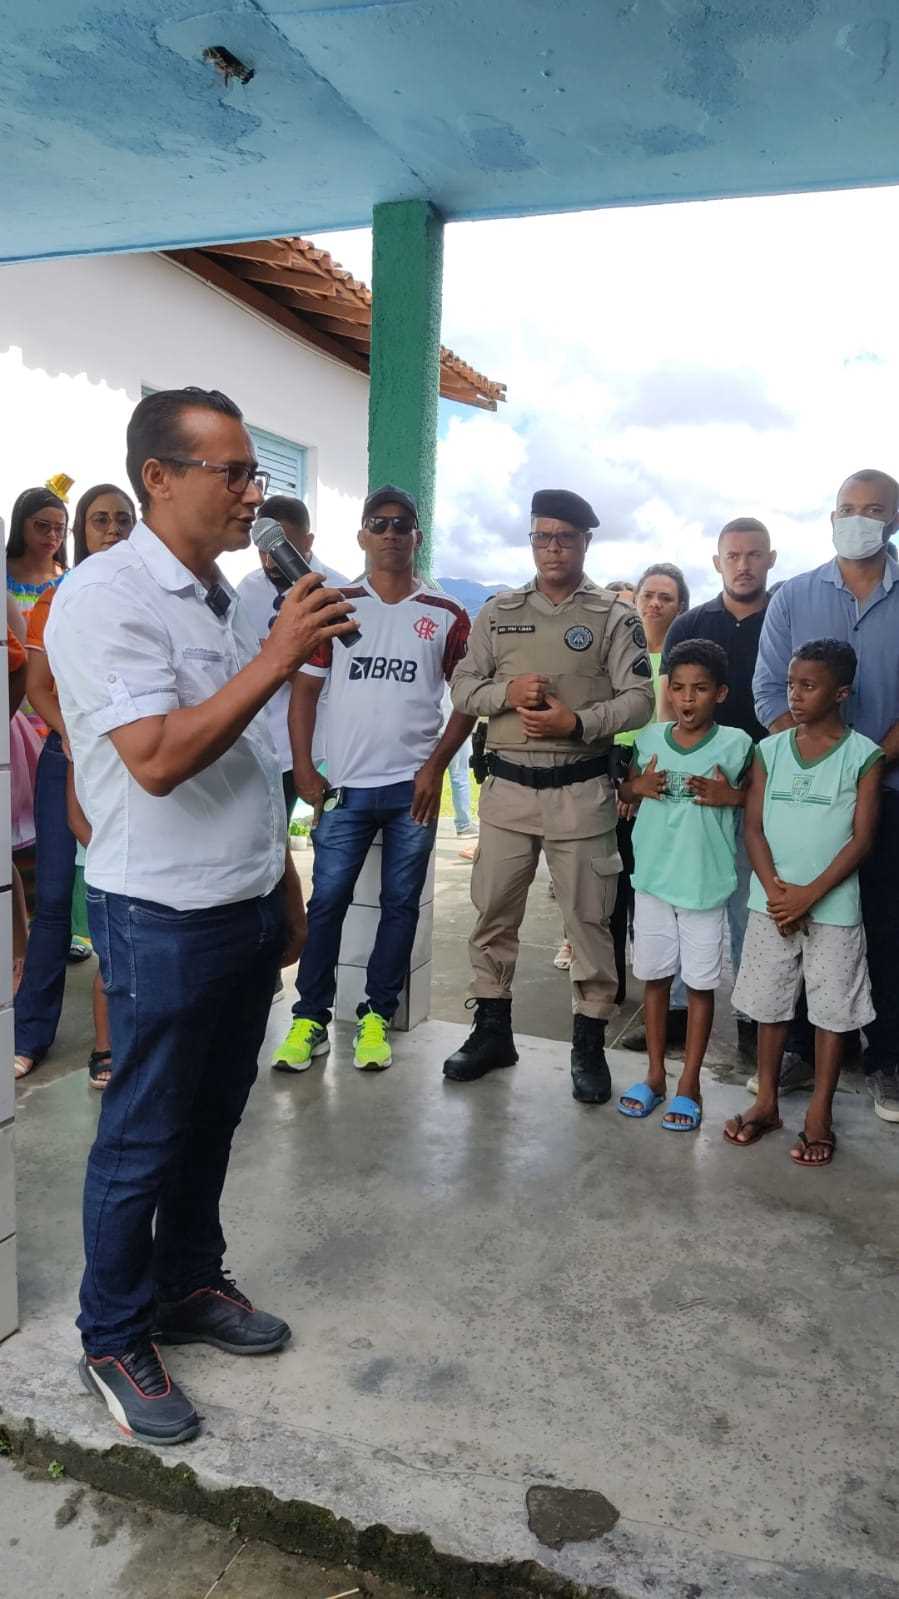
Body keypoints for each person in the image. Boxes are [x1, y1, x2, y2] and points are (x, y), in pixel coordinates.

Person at [45, 386, 357, 1446]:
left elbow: (257, 756)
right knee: (141, 1134)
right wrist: (279, 657)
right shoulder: (104, 596)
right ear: (158, 479)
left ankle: (186, 1284)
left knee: (214, 1117)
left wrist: (282, 881)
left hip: (239, 902)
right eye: (229, 471)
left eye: (252, 472)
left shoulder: (221, 595)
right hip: (161, 914)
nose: (249, 491)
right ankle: (112, 1333)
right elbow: (161, 759)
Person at [443, 489, 654, 1102]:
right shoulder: (498, 611)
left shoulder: (615, 617)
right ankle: (491, 1032)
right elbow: (462, 686)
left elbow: (641, 699)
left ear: (586, 542)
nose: (552, 547)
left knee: (590, 922)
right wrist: (508, 691)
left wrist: (578, 723)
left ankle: (588, 1046)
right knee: (492, 915)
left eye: (564, 537)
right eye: (542, 536)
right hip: (508, 792)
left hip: (581, 793)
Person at [273, 485, 473, 1074]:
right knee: (328, 900)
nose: (390, 533)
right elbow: (304, 693)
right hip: (345, 790)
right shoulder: (337, 608)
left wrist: (434, 768)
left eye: (401, 524)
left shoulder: (445, 616)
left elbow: (468, 699)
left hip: (413, 789)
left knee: (400, 905)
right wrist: (305, 767)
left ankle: (376, 1015)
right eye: (378, 523)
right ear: (361, 535)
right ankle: (310, 1018)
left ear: (417, 537)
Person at [753, 469, 899, 1125]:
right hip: (799, 807)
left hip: (887, 792)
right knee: (800, 926)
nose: (857, 518)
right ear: (830, 516)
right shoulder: (792, 597)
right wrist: (815, 768)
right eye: (847, 508)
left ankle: (887, 1061)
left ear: (893, 519)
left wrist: (859, 766)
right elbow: (768, 694)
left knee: (886, 932)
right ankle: (806, 1058)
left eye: (872, 509)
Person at [726, 641, 882, 1164]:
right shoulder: (768, 751)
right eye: (791, 683)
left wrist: (811, 895)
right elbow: (753, 826)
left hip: (833, 909)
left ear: (841, 692)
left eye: (808, 685)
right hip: (772, 904)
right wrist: (775, 890)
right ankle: (767, 1101)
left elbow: (860, 839)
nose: (794, 694)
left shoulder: (863, 756)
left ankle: (820, 1114)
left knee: (833, 1012)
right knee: (770, 1005)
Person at [13, 484, 137, 1080]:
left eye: (122, 519)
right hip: (69, 758)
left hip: (137, 763)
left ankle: (118, 1038)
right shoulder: (57, 596)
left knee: (125, 895)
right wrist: (78, 737)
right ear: (84, 532)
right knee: (56, 899)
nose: (111, 529)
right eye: (98, 520)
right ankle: (28, 1036)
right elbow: (37, 687)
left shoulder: (151, 595)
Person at [617, 640, 752, 1129]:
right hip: (653, 880)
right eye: (677, 688)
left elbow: (755, 806)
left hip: (705, 887)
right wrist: (636, 787)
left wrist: (729, 796)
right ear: (666, 691)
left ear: (720, 693)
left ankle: (689, 1082)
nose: (687, 699)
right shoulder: (649, 740)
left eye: (699, 689)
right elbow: (627, 789)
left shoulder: (737, 745)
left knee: (699, 984)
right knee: (654, 978)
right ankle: (654, 1074)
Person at [658, 517, 777, 1061]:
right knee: (683, 899)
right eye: (733, 555)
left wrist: (755, 785)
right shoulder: (690, 622)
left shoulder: (783, 615)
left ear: (770, 560)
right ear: (717, 562)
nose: (744, 565)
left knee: (747, 908)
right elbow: (667, 700)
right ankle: (677, 1013)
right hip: (690, 788)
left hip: (758, 786)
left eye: (754, 555)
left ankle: (754, 1018)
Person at [236, 494, 347, 817]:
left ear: (308, 540)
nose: (270, 561)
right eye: (262, 550)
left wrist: (282, 658)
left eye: (282, 549)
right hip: (257, 741)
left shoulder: (338, 591)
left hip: (320, 744)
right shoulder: (247, 588)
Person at [614, 562, 690, 1024]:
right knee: (612, 892)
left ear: (681, 605)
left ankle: (659, 996)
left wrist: (642, 782)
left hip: (658, 785)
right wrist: (623, 780)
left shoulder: (682, 660)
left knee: (653, 895)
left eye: (667, 596)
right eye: (649, 595)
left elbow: (671, 725)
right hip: (618, 780)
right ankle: (609, 987)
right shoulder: (617, 652)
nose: (656, 603)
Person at [6, 487, 68, 627]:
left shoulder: (70, 581)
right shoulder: (1, 574)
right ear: (20, 524)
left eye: (59, 529)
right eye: (42, 525)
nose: (52, 535)